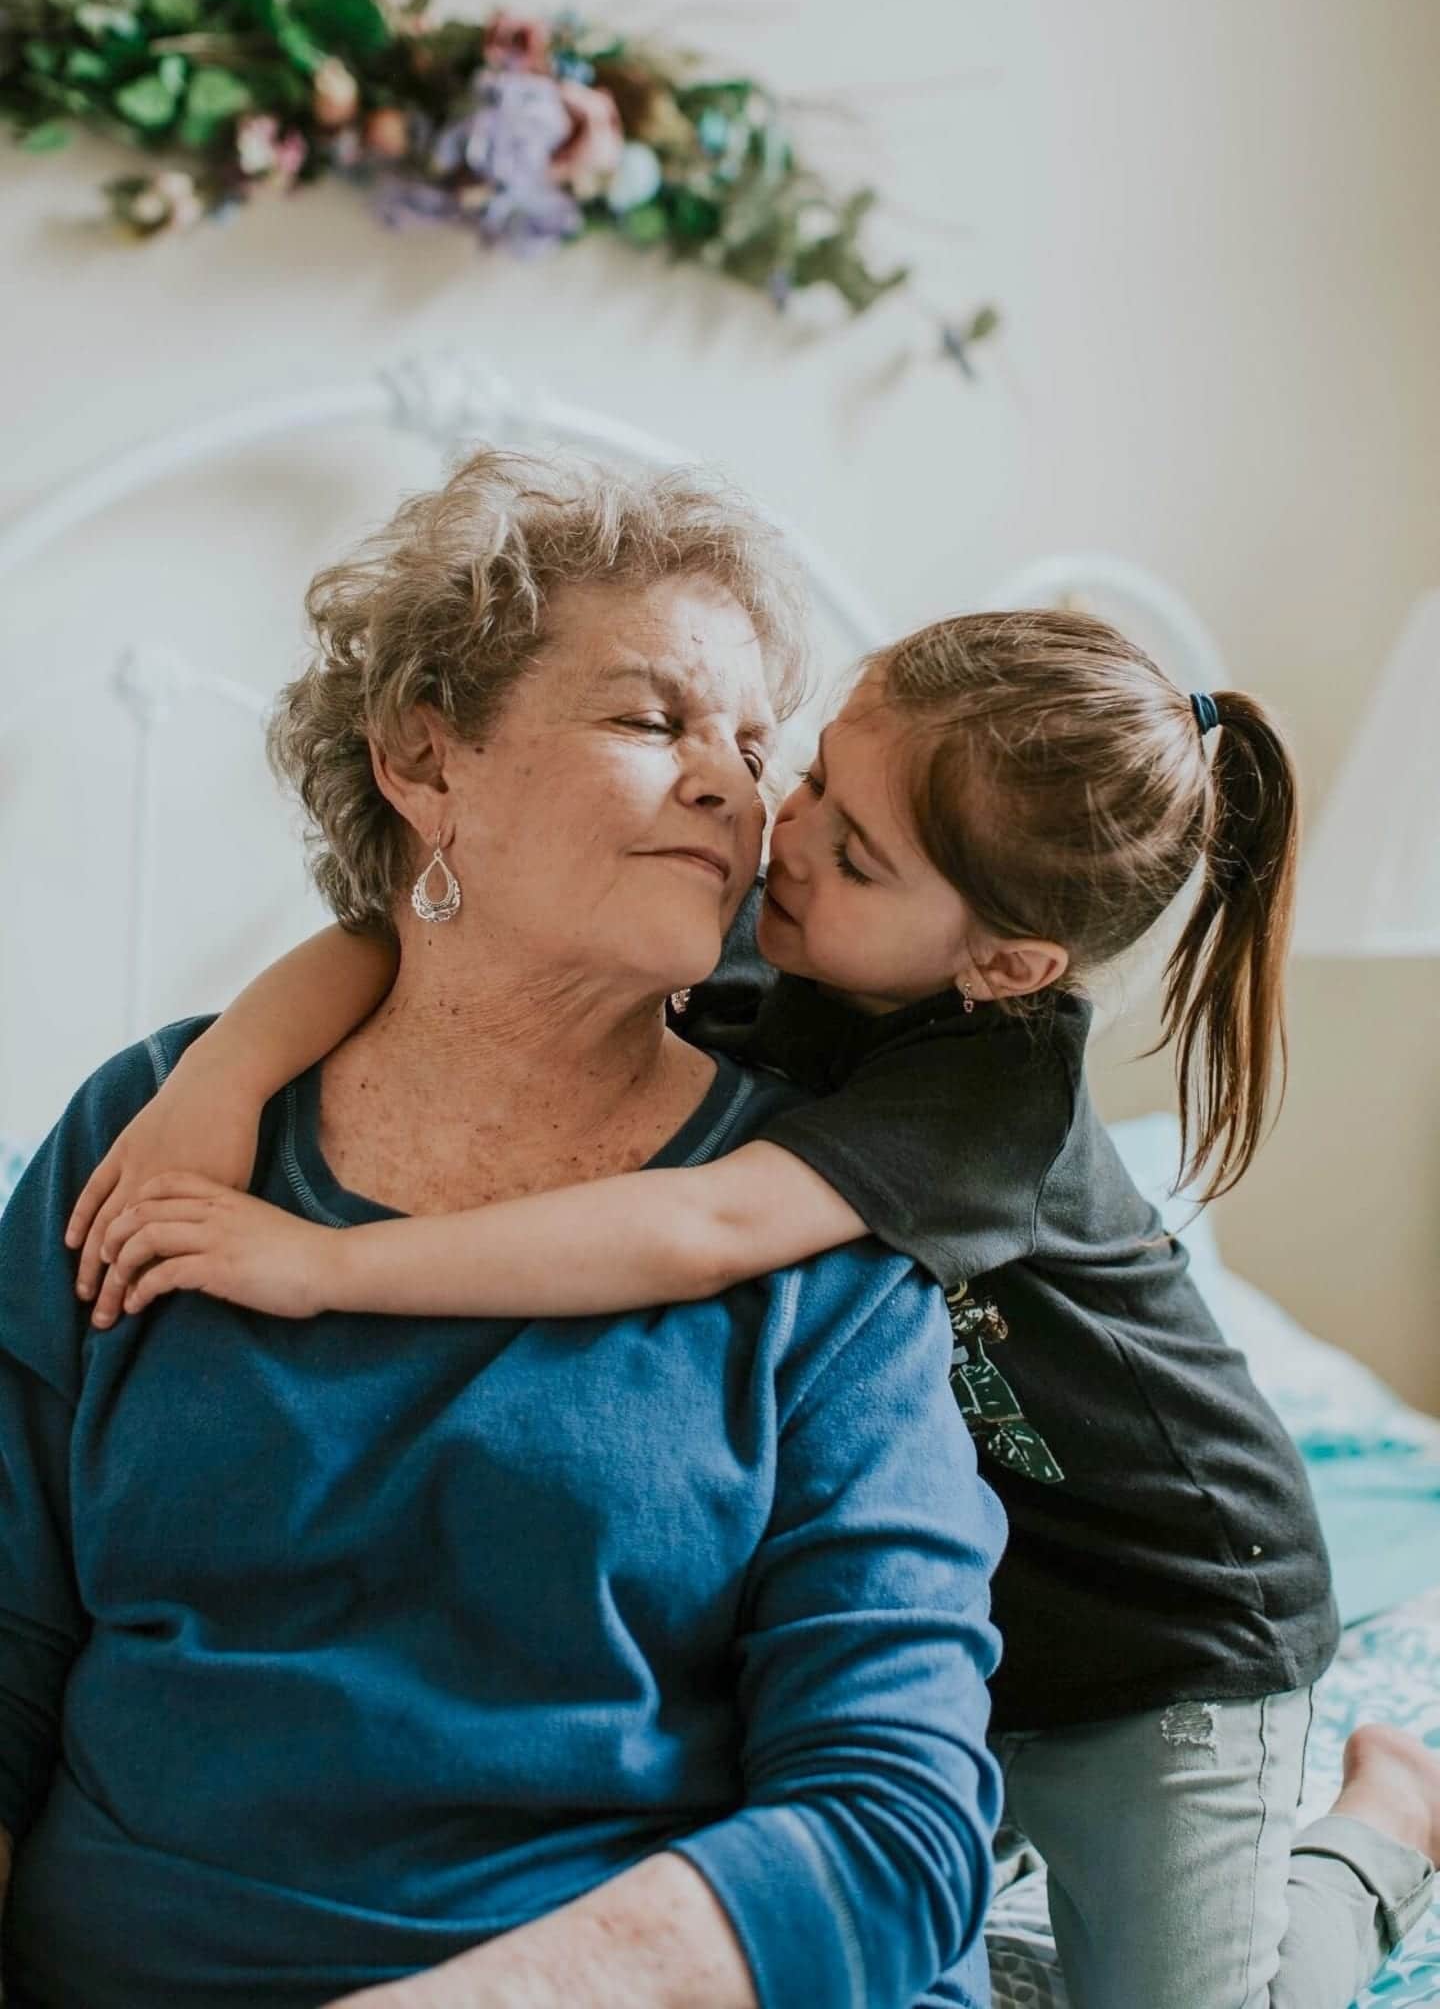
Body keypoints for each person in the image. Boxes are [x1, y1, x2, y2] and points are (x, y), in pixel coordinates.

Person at [78, 607, 1440, 2009]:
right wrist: (219, 1079)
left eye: (856, 851)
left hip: (1176, 1627)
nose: (784, 835)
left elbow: (703, 1225)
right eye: (819, 776)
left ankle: (1373, 1839)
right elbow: (409, 931)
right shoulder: (787, 914)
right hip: (988, 1608)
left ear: (1009, 965)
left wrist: (324, 1266)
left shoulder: (991, 1092)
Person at [0, 450, 1007, 2009]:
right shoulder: (155, 1131)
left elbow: (892, 1833)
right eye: (650, 720)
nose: (736, 788)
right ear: (425, 756)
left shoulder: (818, 1220)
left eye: (754, 746)